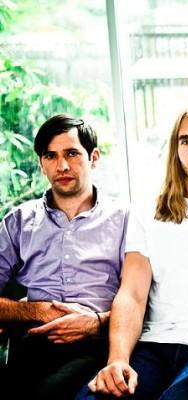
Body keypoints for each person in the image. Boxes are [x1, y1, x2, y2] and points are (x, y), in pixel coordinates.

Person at [81, 105, 188, 399]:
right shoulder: (149, 214)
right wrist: (118, 359)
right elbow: (132, 294)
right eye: (185, 141)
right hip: (154, 344)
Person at [0, 114, 128, 399]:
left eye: (72, 153)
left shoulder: (125, 220)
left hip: (101, 344)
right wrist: (37, 310)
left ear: (94, 158)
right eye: (51, 156)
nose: (62, 166)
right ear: (41, 164)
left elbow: (147, 300)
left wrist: (98, 321)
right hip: (33, 344)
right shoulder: (18, 222)